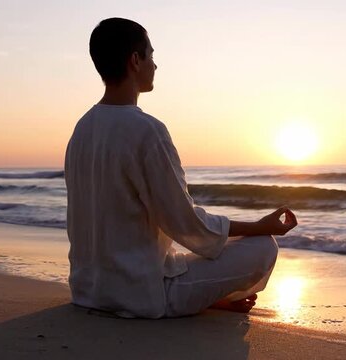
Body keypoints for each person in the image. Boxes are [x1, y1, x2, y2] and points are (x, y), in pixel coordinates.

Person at [64, 17, 297, 319]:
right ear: (135, 61)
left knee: (191, 255)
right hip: (141, 294)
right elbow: (185, 223)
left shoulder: (81, 129)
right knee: (263, 247)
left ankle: (206, 294)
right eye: (151, 55)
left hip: (88, 290)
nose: (155, 65)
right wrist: (259, 227)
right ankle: (207, 297)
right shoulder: (147, 131)